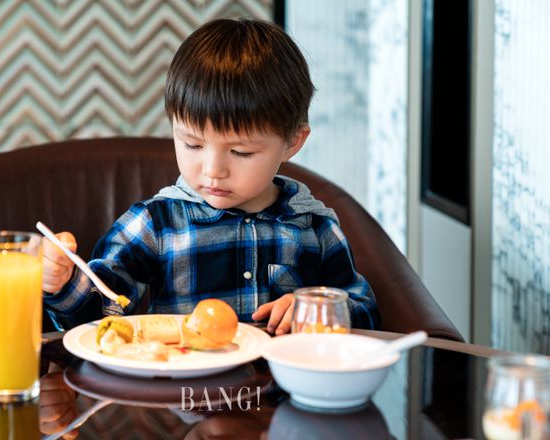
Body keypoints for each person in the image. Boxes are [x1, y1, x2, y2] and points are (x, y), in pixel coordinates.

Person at [42, 18, 381, 334]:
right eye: (192, 144)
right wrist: (63, 283)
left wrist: (315, 311)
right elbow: (103, 315)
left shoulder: (314, 227)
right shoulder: (156, 223)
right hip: (181, 392)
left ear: (292, 142)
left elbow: (366, 312)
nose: (212, 170)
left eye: (241, 152)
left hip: (279, 394)